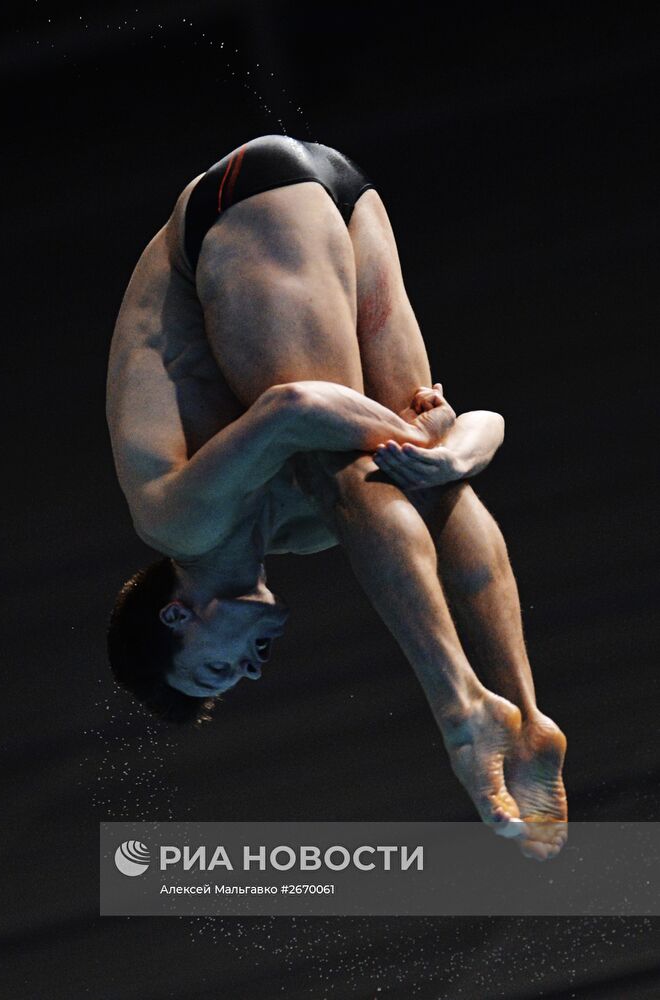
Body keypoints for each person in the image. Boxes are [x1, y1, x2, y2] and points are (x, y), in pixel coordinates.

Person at [106, 135, 567, 861]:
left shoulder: (179, 521)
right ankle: (531, 715)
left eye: (216, 666)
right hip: (343, 194)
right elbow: (482, 426)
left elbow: (292, 405)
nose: (251, 668)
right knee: (422, 491)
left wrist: (434, 449)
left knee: (355, 467)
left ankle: (459, 708)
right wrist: (451, 454)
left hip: (240, 206)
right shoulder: (298, 530)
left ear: (177, 613)